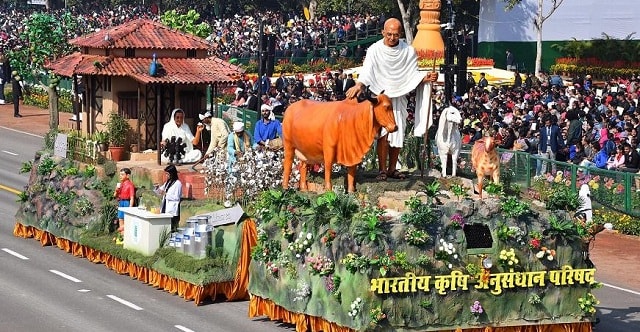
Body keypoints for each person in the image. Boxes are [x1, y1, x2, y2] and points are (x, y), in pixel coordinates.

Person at [345, 17, 438, 181]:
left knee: (398, 131)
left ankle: (392, 168)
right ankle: (381, 169)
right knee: (383, 133)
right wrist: (359, 85)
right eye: (388, 34)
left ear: (400, 34)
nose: (392, 38)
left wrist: (426, 77)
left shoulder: (408, 51)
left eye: (395, 34)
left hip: (399, 96)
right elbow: (367, 71)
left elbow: (412, 75)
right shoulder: (374, 50)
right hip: (381, 99)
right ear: (383, 32)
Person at [156, 164, 182, 232]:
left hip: (172, 209)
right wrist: (157, 189)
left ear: (172, 174)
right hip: (165, 206)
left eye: (168, 174)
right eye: (166, 174)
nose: (166, 176)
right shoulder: (168, 182)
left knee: (171, 228)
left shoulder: (178, 184)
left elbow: (177, 197)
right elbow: (161, 189)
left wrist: (166, 194)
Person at [113, 168, 135, 234]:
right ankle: (121, 234)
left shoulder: (130, 185)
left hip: (126, 202)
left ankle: (125, 233)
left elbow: (132, 197)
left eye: (122, 174)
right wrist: (116, 190)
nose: (120, 176)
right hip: (121, 202)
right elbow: (114, 196)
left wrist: (130, 208)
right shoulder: (120, 184)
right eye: (120, 174)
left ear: (127, 176)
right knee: (120, 218)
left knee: (126, 219)